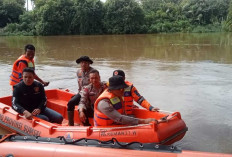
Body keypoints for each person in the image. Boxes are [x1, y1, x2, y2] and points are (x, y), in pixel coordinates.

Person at [67, 56, 95, 126]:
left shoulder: (94, 72)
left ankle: (89, 124)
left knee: (86, 107)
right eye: (82, 63)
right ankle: (71, 124)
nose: (83, 64)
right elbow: (80, 85)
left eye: (85, 63)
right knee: (71, 103)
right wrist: (78, 94)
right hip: (81, 92)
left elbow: (95, 84)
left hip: (91, 93)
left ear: (89, 64)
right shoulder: (78, 72)